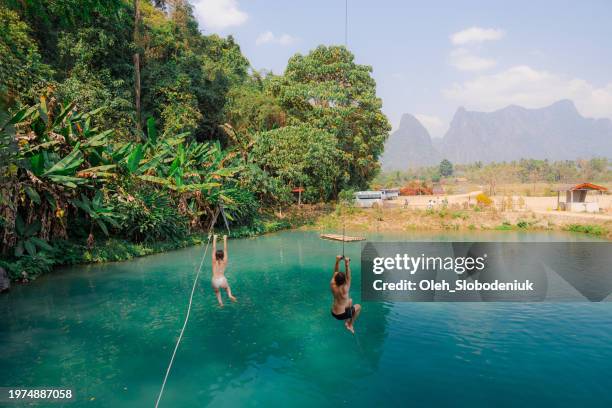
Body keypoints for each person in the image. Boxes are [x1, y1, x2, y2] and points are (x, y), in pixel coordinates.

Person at [330, 255, 361, 333]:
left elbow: (335, 272)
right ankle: (350, 325)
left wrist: (337, 261)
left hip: (333, 312)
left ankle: (347, 319)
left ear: (335, 279)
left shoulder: (332, 284)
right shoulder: (345, 288)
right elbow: (349, 276)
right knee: (358, 307)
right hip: (341, 315)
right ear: (344, 281)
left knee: (350, 300)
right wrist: (347, 264)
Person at [211, 234, 237, 307]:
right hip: (222, 280)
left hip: (215, 280)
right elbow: (225, 249)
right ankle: (229, 295)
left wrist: (214, 238)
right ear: (223, 256)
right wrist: (225, 238)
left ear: (215, 256)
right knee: (227, 287)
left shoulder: (214, 261)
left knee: (217, 292)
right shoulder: (225, 261)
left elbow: (213, 248)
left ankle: (220, 303)